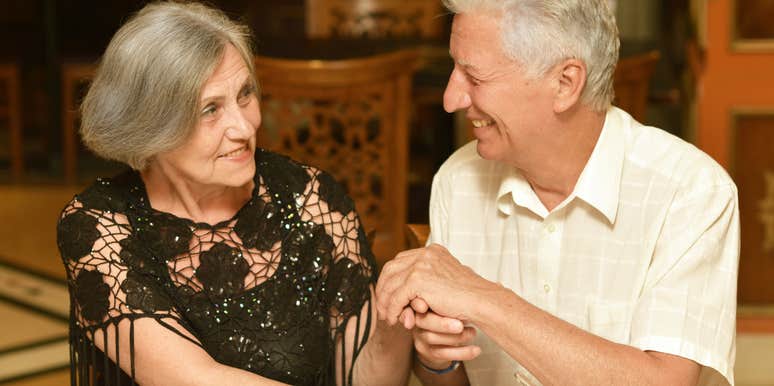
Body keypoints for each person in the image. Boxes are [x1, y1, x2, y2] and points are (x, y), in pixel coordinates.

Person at [375, 0, 739, 385]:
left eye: (475, 77)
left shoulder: (691, 192)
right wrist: (437, 360)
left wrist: (482, 298)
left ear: (566, 83)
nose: (451, 99)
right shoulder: (459, 180)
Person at [56, 2, 412, 385]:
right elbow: (195, 379)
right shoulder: (98, 225)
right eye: (210, 109)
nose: (244, 126)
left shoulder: (311, 199)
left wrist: (395, 326)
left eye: (245, 94)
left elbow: (363, 377)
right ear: (150, 125)